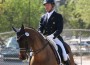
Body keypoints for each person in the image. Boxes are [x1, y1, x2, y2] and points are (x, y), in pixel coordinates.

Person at [38, 0, 69, 65]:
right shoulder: (43, 17)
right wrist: (41, 34)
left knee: (63, 51)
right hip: (45, 38)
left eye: (48, 5)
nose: (46, 7)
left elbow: (59, 29)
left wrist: (52, 36)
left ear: (52, 5)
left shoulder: (58, 16)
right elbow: (40, 28)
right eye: (45, 5)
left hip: (55, 38)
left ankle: (65, 62)